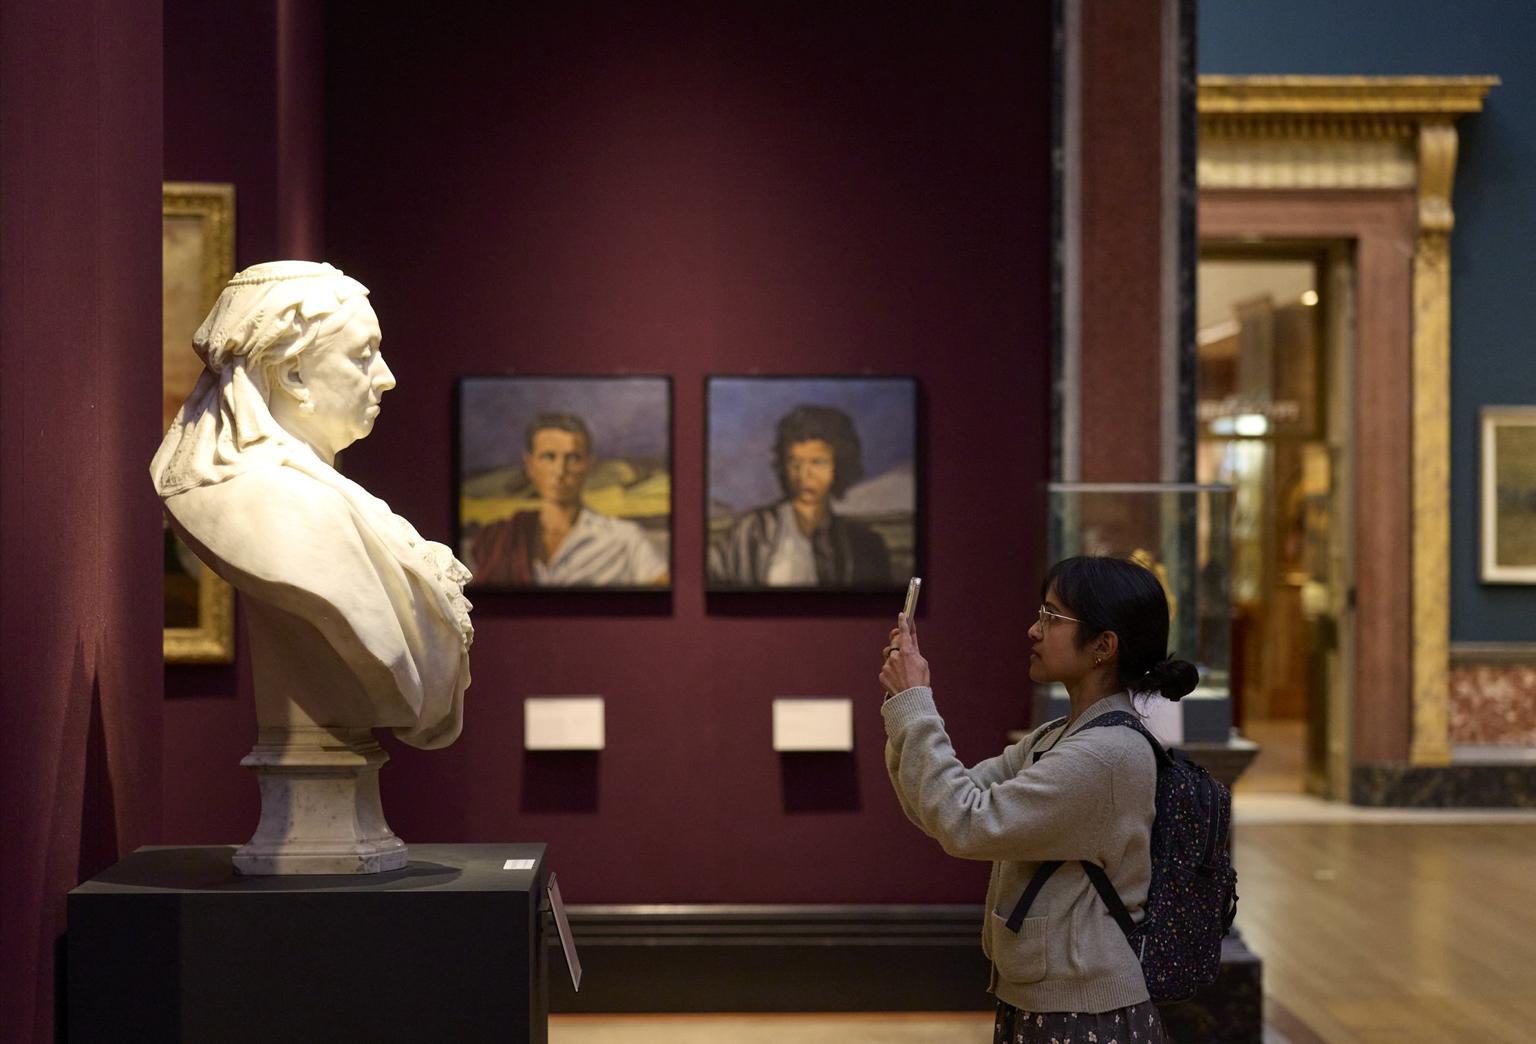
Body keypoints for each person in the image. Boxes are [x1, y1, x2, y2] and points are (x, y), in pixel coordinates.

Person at [877, 555, 1200, 1044]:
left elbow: (966, 822)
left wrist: (916, 702)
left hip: (1085, 1015)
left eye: (1052, 618)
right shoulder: (1059, 735)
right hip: (1051, 1001)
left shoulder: (1107, 755)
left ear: (1103, 646)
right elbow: (942, 803)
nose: (1033, 630)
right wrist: (903, 704)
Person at [151, 260, 472, 751]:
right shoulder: (284, 507)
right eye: (364, 356)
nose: (386, 378)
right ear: (294, 374)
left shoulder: (320, 493)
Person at [469, 412, 669, 587]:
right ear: (529, 464)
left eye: (573, 458)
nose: (560, 471)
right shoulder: (505, 536)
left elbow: (662, 591)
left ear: (589, 465)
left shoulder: (625, 538)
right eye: (548, 457)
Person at [708, 403, 891, 588]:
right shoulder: (750, 534)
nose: (804, 475)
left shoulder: (861, 545)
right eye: (795, 462)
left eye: (817, 462)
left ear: (839, 465)